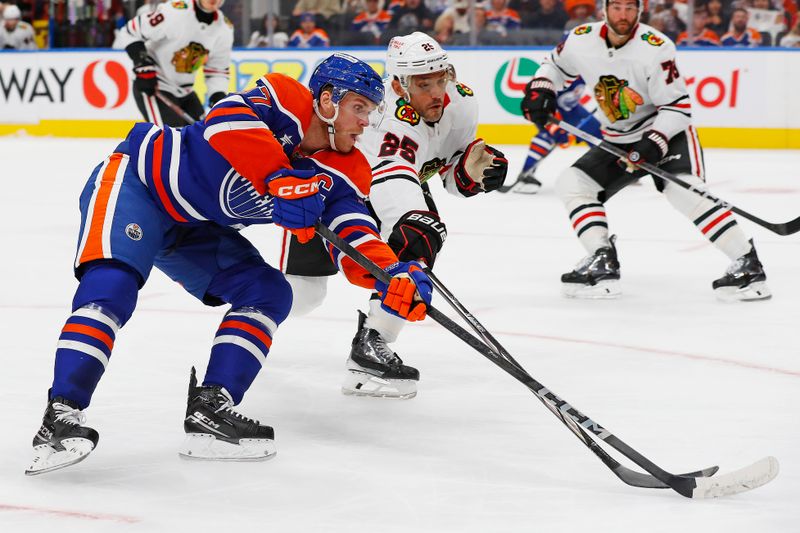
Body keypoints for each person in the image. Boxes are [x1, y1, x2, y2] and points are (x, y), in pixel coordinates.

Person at [25, 53, 434, 475]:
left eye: (370, 111)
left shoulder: (346, 169)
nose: (366, 121)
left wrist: (392, 277)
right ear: (327, 101)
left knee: (268, 291)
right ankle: (60, 416)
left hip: (195, 227)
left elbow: (355, 234)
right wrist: (278, 176)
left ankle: (210, 408)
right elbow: (225, 118)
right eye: (359, 108)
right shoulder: (287, 98)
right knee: (113, 286)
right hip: (138, 183)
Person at [281, 32, 508, 399]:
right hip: (337, 192)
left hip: (394, 185)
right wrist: (416, 223)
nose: (437, 92)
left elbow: (448, 169)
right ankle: (250, 306)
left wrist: (470, 171)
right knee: (303, 295)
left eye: (441, 79)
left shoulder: (462, 101)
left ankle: (372, 346)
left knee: (414, 251)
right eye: (424, 84)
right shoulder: (385, 115)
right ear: (400, 86)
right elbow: (392, 178)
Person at [520, 0, 771, 301]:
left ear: (640, 11)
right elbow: (553, 65)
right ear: (604, 9)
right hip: (619, 137)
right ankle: (602, 259)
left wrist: (653, 142)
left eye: (630, 7)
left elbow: (677, 108)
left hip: (666, 131)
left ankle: (747, 262)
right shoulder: (580, 38)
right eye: (617, 7)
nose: (623, 15)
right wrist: (541, 88)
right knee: (573, 183)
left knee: (685, 191)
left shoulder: (656, 47)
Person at [113, 0, 233, 127]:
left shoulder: (224, 28)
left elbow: (217, 69)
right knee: (171, 141)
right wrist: (142, 63)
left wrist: (217, 95)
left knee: (202, 137)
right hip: (156, 86)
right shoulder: (175, 12)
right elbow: (130, 31)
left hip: (185, 91)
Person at [500, 76, 602, 194]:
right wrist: (556, 130)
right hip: (549, 114)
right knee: (546, 139)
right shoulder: (558, 73)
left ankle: (613, 167)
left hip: (572, 110)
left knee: (597, 132)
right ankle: (525, 177)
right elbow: (540, 105)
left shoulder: (582, 68)